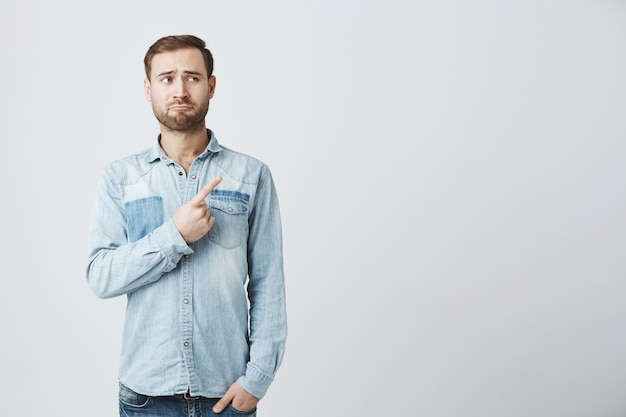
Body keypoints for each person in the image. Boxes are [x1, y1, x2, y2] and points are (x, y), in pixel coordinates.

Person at [86, 34, 287, 417]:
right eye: (167, 78)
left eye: (192, 77)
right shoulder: (120, 179)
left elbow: (269, 284)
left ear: (211, 86)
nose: (179, 89)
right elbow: (101, 276)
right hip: (145, 397)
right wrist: (173, 235)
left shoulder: (250, 175)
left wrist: (257, 379)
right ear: (148, 89)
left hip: (226, 397)